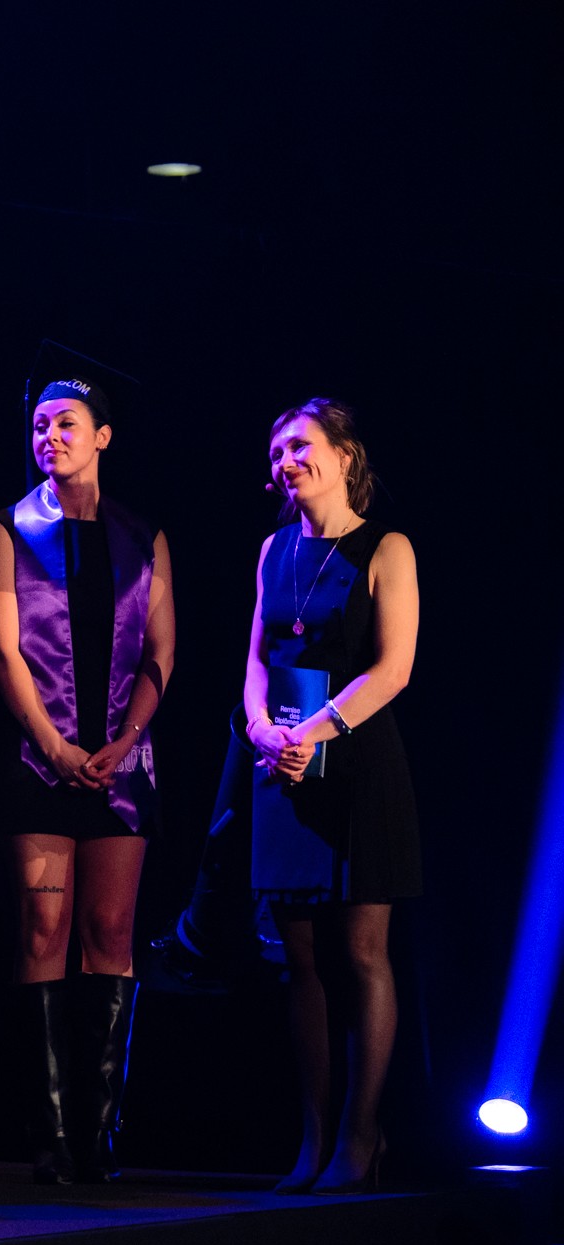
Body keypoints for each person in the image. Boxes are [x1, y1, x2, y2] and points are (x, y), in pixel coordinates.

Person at [0, 345, 174, 1184]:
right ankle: (51, 1133)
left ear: (102, 436)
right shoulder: (7, 530)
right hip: (39, 758)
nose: (49, 437)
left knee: (110, 933)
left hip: (121, 763)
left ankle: (101, 1131)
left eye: (65, 424)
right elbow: (3, 649)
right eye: (39, 426)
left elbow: (162, 651)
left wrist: (124, 742)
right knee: (43, 931)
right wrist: (56, 746)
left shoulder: (141, 535)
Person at [245, 398, 417, 1195]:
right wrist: (262, 730)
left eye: (302, 445)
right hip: (284, 767)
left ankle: (361, 1132)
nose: (288, 460)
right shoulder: (274, 548)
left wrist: (314, 730)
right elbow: (256, 658)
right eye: (278, 450)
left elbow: (394, 668)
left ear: (345, 455)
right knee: (300, 962)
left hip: (356, 765)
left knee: (361, 954)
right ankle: (313, 1139)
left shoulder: (386, 546)